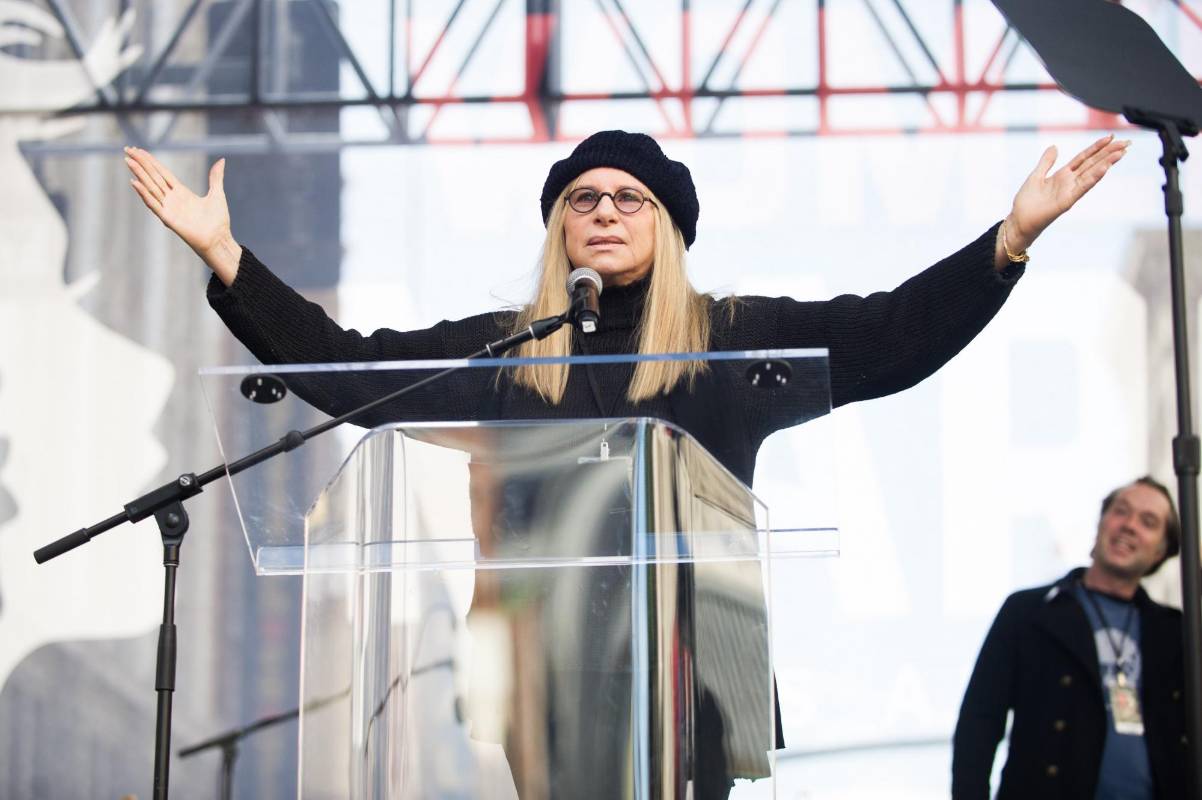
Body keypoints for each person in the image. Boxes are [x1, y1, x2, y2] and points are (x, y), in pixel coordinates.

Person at [125, 129, 1128, 798]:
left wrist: (1006, 240)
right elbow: (354, 376)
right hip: (549, 674)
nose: (603, 211)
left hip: (697, 675)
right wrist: (229, 261)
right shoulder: (510, 352)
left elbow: (889, 337)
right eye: (581, 197)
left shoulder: (729, 344)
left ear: (668, 225)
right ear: (559, 223)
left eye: (629, 197)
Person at [952, 476, 1187, 800]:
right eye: (1121, 511)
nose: (1130, 526)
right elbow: (980, 720)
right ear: (1102, 522)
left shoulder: (1176, 632)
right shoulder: (1029, 612)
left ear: (1161, 550)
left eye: (1148, 522)